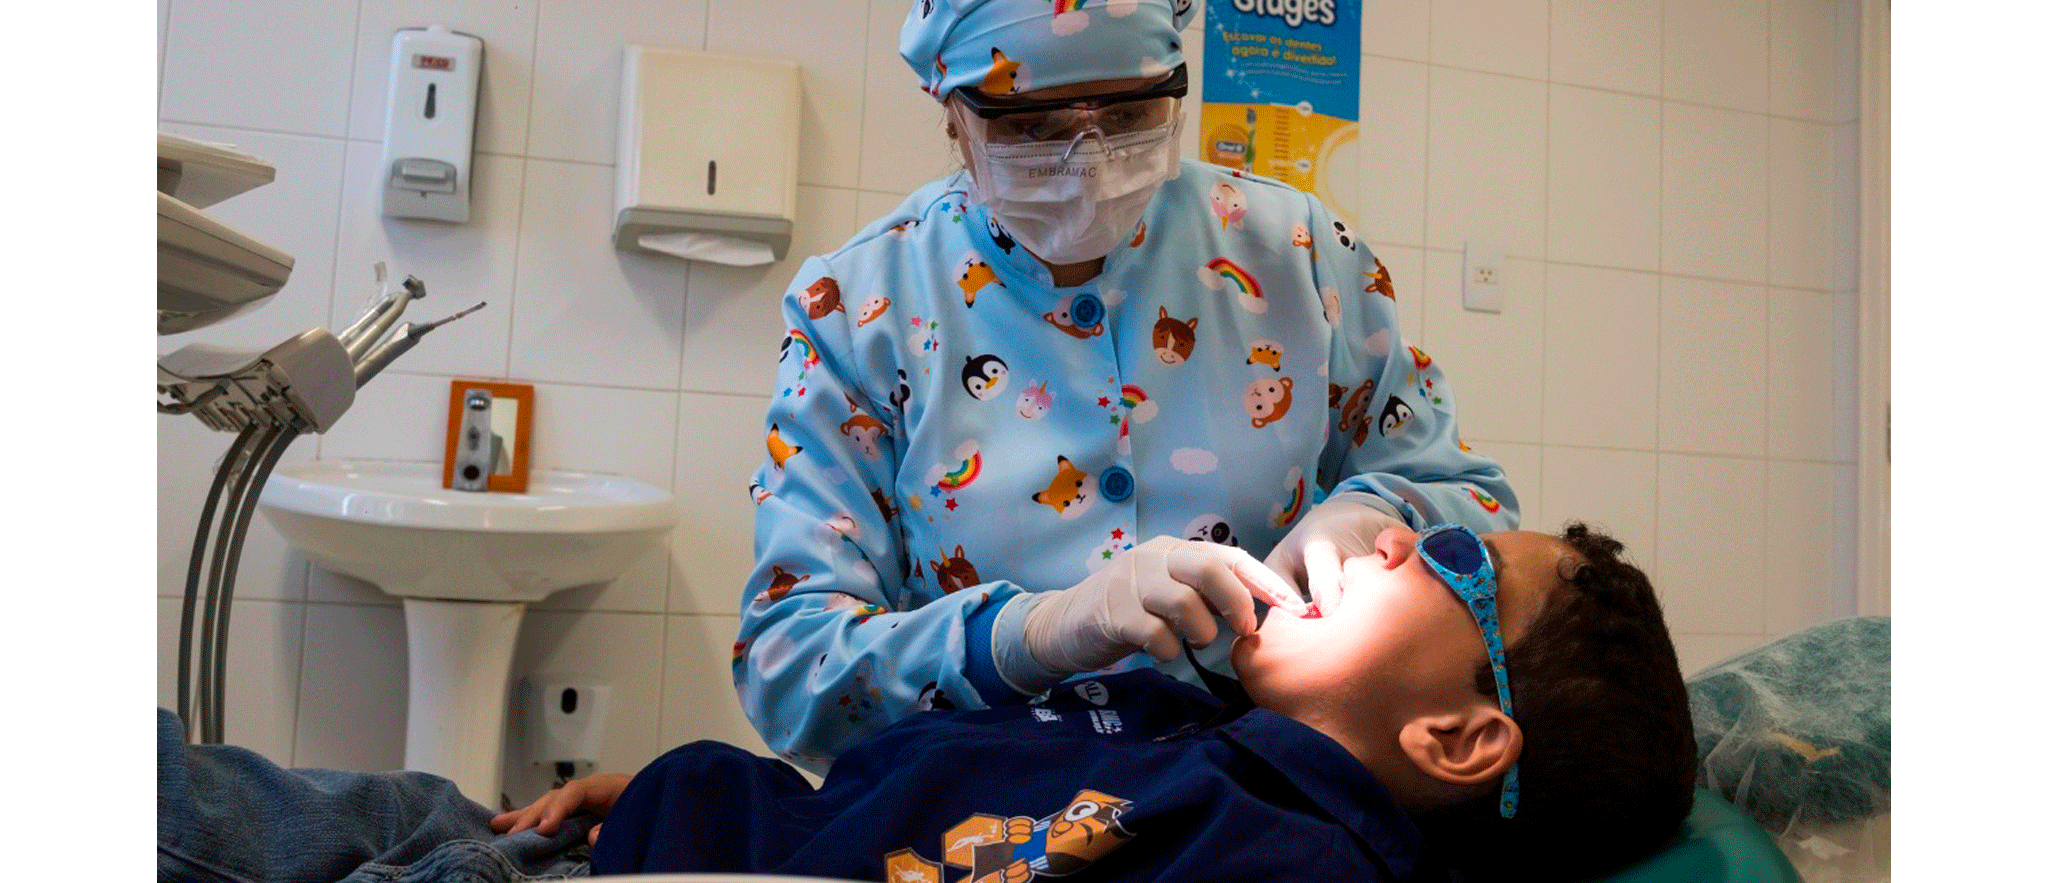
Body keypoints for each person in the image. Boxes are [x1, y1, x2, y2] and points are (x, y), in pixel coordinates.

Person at [738, 0, 1518, 771]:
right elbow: (789, 671)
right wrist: (1034, 634)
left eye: (1131, 111)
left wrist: (1370, 512)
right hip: (975, 812)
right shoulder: (859, 309)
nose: (1090, 157)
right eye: (1032, 126)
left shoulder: (1302, 255)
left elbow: (1479, 508)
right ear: (953, 114)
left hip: (1263, 800)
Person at [158, 523, 1698, 883]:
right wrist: (663, 791)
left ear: (1460, 733)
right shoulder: (1199, 743)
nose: (1371, 529)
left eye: (1436, 550)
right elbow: (895, 805)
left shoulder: (1277, 857)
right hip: (597, 836)